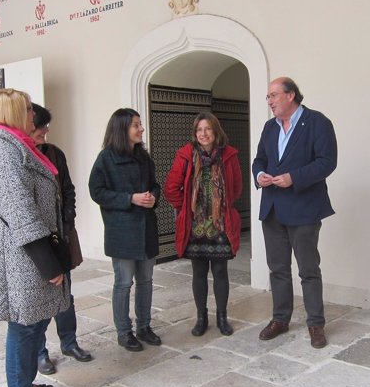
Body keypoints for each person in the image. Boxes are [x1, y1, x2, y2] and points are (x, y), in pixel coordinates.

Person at [0, 89, 69, 387]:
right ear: (14, 112)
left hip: (28, 254)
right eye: (28, 109)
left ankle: (25, 383)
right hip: (22, 257)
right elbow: (20, 212)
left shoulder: (16, 145)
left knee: (35, 322)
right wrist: (49, 264)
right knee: (24, 326)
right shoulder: (3, 152)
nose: (34, 115)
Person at [252, 77, 337, 349]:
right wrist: (260, 174)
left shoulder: (317, 122)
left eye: (273, 95)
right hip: (273, 208)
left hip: (304, 208)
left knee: (308, 270)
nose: (269, 101)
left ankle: (316, 324)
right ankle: (280, 319)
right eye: (268, 97)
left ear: (290, 95)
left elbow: (327, 162)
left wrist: (294, 178)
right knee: (277, 269)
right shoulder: (269, 127)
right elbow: (259, 160)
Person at [163, 112, 243, 337]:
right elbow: (171, 187)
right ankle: (201, 318)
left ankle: (222, 318)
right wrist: (187, 207)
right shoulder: (186, 154)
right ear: (194, 133)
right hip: (196, 225)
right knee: (198, 271)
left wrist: (221, 207)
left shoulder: (229, 155)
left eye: (207, 129)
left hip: (220, 223)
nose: (203, 134)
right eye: (199, 130)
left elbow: (236, 188)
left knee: (220, 270)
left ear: (216, 131)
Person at [89, 108, 162, 352]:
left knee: (146, 281)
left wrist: (153, 196)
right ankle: (124, 332)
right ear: (122, 129)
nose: (141, 128)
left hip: (146, 229)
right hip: (122, 232)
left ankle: (144, 327)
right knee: (123, 283)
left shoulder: (144, 157)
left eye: (140, 124)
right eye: (136, 125)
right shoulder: (106, 158)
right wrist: (129, 198)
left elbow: (155, 185)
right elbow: (96, 192)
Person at [30, 103, 93, 374]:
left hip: (60, 235)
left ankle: (69, 342)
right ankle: (40, 353)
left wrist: (67, 220)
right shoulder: (20, 157)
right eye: (41, 125)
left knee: (65, 291)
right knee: (41, 296)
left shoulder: (54, 153)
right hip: (36, 239)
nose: (45, 131)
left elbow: (68, 189)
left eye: (46, 126)